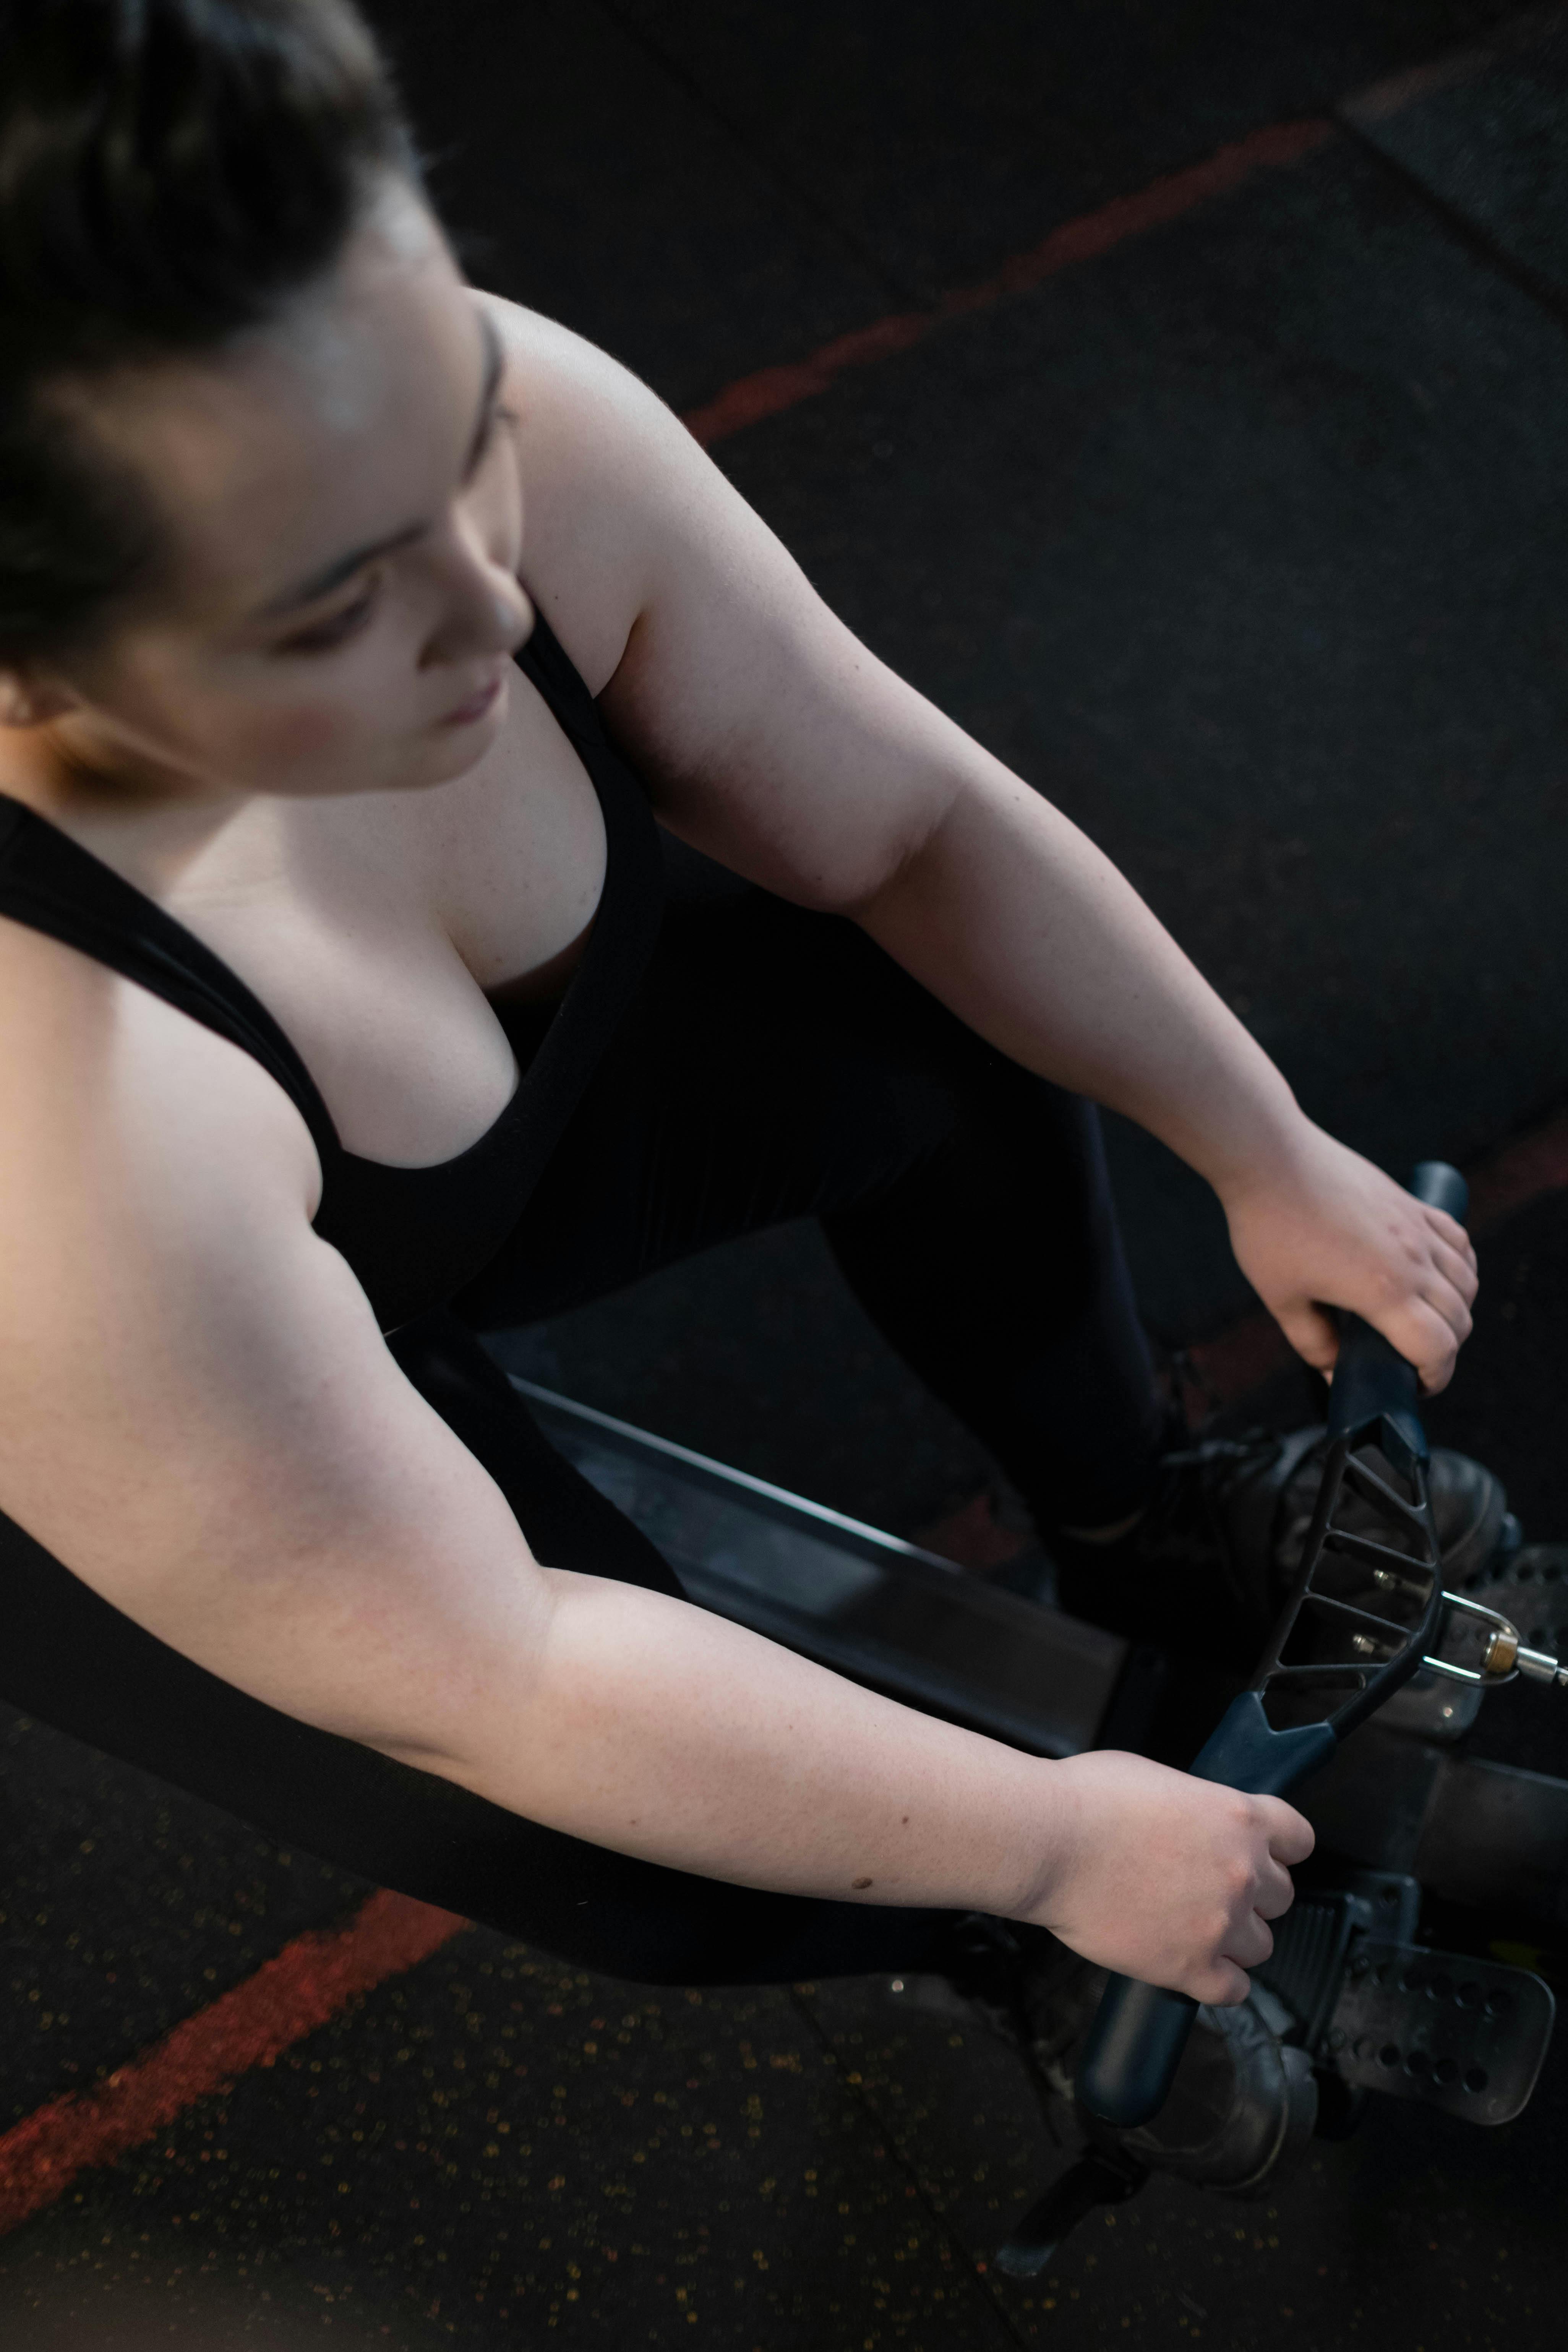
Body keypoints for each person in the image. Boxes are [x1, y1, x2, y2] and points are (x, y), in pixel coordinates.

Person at [0, 0, 1480, 2014]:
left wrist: (1263, 1150)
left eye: (457, 433)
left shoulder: (492, 434)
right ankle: (1012, 1963)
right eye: (336, 599)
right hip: (108, 1385)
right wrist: (1051, 1852)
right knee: (619, 1846)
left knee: (913, 1020)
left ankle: (1140, 1512)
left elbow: (908, 832)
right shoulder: (63, 1146)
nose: (492, 602)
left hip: (366, 1163)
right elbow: (501, 1665)